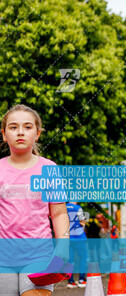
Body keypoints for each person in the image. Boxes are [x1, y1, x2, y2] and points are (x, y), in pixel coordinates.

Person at [0, 104, 70, 296]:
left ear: (37, 134)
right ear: (4, 135)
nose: (20, 132)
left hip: (39, 256)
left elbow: (59, 212)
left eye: (28, 127)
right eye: (13, 127)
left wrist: (63, 247)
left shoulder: (49, 169)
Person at [66, 202, 88, 288]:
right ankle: (81, 280)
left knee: (70, 260)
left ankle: (70, 281)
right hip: (79, 238)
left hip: (68, 238)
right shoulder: (77, 208)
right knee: (82, 258)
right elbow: (82, 222)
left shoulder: (64, 207)